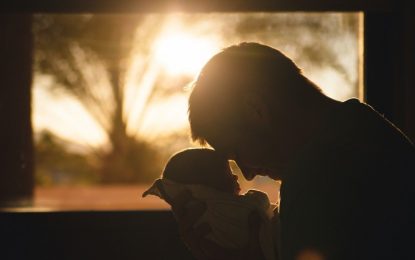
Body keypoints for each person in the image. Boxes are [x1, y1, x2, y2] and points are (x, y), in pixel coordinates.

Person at [173, 42, 415, 259]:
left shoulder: (315, 177)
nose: (246, 174)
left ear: (255, 110)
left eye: (236, 153)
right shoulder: (367, 130)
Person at [142, 148, 279, 260]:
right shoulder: (227, 208)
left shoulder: (198, 223)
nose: (237, 176)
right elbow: (260, 203)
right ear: (205, 188)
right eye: (227, 173)